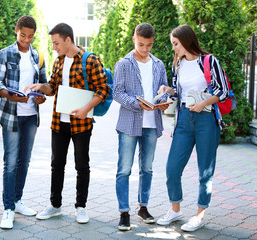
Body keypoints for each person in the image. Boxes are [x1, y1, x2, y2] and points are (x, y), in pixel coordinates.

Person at [25, 23, 110, 224]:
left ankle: (81, 207)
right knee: (57, 165)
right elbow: (52, 87)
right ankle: (55, 206)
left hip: (81, 123)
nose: (54, 47)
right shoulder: (59, 61)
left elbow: (103, 90)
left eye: (56, 43)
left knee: (82, 165)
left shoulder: (90, 60)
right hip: (59, 122)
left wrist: (85, 108)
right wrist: (41, 88)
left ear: (68, 40)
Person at [156, 24, 229, 232]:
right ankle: (175, 209)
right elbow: (179, 94)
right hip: (184, 120)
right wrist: (168, 89)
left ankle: (199, 215)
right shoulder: (177, 65)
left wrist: (203, 103)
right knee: (172, 168)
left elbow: (222, 91)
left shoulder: (208, 61)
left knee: (205, 171)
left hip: (206, 119)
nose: (174, 48)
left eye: (175, 44)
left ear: (186, 41)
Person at [113, 23, 170, 231]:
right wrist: (138, 104)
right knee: (124, 170)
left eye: (149, 45)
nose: (145, 49)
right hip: (129, 123)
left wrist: (164, 100)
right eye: (141, 44)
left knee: (147, 169)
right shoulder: (124, 64)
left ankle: (143, 207)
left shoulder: (158, 64)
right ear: (133, 39)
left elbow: (163, 89)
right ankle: (124, 212)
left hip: (152, 124)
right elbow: (117, 93)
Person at [0, 15, 47, 229]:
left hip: (31, 115)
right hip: (11, 114)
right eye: (23, 35)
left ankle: (17, 200)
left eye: (30, 36)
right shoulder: (5, 54)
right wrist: (10, 95)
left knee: (24, 161)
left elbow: (43, 85)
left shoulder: (37, 56)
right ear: (16, 31)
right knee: (11, 162)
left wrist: (42, 96)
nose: (26, 40)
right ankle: (7, 209)